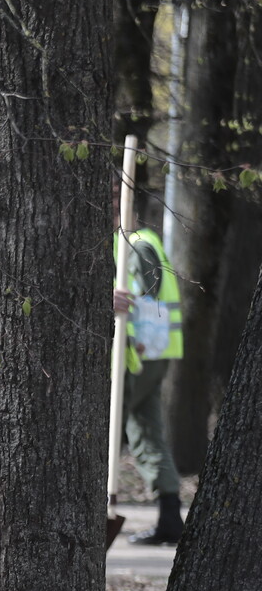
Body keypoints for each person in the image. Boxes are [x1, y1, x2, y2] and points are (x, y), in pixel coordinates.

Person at [110, 190, 185, 546]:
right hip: (152, 356)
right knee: (146, 432)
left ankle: (95, 510)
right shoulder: (143, 242)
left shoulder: (135, 245)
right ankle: (170, 517)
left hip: (137, 356)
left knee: (107, 432)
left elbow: (143, 300)